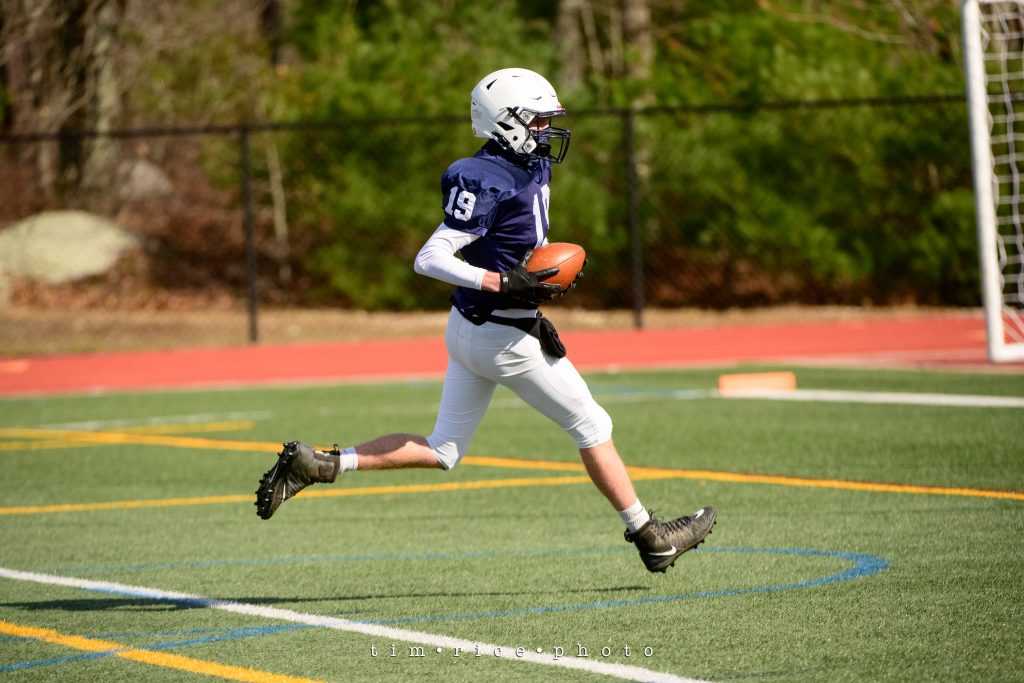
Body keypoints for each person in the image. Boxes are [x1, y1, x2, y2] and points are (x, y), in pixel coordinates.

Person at [255, 67, 715, 573]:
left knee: (444, 449)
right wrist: (501, 282)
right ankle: (651, 538)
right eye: (537, 119)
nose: (546, 129)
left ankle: (323, 463)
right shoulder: (484, 177)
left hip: (470, 327)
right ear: (505, 122)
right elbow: (429, 258)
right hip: (501, 334)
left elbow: (518, 239)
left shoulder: (528, 164)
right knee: (591, 424)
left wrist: (533, 280)